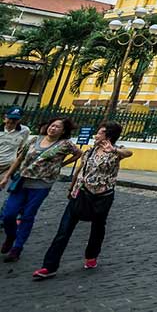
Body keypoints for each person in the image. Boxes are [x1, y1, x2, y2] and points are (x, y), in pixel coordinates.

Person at [33, 120, 133, 280]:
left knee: (98, 228)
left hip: (102, 196)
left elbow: (129, 153)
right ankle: (49, 266)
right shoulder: (90, 151)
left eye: (100, 132)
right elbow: (80, 169)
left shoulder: (116, 152)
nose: (96, 135)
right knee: (63, 231)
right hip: (80, 193)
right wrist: (71, 187)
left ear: (108, 135)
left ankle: (92, 255)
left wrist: (113, 149)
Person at [1, 117, 82, 263]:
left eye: (57, 127)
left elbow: (78, 153)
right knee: (9, 214)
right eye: (52, 125)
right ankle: (11, 235)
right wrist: (6, 176)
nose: (53, 128)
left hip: (41, 185)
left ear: (63, 130)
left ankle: (17, 248)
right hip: (22, 181)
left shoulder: (65, 144)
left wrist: (61, 165)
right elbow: (19, 159)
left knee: (27, 216)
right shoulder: (34, 140)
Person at [0, 108, 30, 178]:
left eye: (15, 119)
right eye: (10, 118)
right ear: (5, 117)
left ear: (20, 120)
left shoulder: (25, 131)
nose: (12, 121)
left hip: (7, 166)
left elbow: (21, 147)